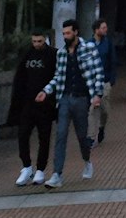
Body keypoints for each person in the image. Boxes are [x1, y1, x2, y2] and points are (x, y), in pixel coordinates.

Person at [37, 19, 105, 190]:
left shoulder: (89, 49)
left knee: (82, 136)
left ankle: (87, 161)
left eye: (68, 33)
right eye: (64, 33)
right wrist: (46, 91)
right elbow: (58, 76)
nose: (65, 36)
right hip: (65, 98)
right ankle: (57, 174)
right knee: (60, 135)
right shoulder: (61, 54)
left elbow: (98, 72)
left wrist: (97, 94)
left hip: (82, 98)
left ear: (76, 32)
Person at [9, 30, 56, 186]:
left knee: (44, 137)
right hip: (27, 103)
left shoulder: (52, 55)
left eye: (40, 41)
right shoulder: (27, 55)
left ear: (45, 40)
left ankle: (40, 169)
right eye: (34, 41)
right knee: (23, 134)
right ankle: (27, 166)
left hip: (45, 105)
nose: (36, 44)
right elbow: (20, 78)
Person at [90, 17, 117, 145]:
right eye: (103, 28)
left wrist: (112, 79)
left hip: (105, 80)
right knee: (92, 109)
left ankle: (102, 127)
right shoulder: (88, 44)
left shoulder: (108, 43)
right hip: (92, 82)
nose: (106, 30)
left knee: (104, 109)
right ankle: (92, 136)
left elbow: (113, 61)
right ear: (96, 30)